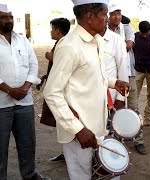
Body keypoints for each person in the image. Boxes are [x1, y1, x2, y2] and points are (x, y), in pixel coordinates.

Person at [43, 1, 130, 179]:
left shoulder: (95, 41)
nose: (107, 19)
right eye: (104, 15)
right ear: (90, 17)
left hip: (98, 125)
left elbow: (90, 76)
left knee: (106, 173)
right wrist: (78, 129)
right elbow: (52, 92)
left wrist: (114, 82)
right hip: (79, 133)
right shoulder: (69, 46)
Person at [0, 4, 49, 180]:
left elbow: (33, 64)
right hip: (1, 105)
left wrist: (25, 87)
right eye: (4, 17)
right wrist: (9, 90)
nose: (9, 20)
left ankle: (30, 175)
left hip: (24, 102)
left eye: (11, 17)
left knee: (27, 143)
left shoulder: (22, 40)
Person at [107, 2, 147, 155]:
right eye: (113, 14)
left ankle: (139, 140)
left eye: (119, 13)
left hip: (128, 74)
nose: (117, 16)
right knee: (110, 108)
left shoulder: (127, 28)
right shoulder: (103, 30)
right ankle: (115, 140)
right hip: (111, 75)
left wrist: (111, 47)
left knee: (133, 107)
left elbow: (128, 46)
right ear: (107, 16)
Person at [36, 17, 71, 163]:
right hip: (57, 87)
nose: (50, 32)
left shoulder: (66, 45)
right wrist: (45, 76)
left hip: (62, 92)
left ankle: (68, 154)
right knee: (61, 124)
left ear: (57, 30)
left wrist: (51, 56)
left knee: (64, 123)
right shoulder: (60, 43)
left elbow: (64, 64)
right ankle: (64, 152)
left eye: (52, 29)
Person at [133, 21, 150, 130]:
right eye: (143, 34)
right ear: (139, 31)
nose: (144, 35)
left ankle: (147, 116)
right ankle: (135, 117)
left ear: (149, 31)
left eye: (146, 33)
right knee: (135, 94)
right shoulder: (134, 37)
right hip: (138, 70)